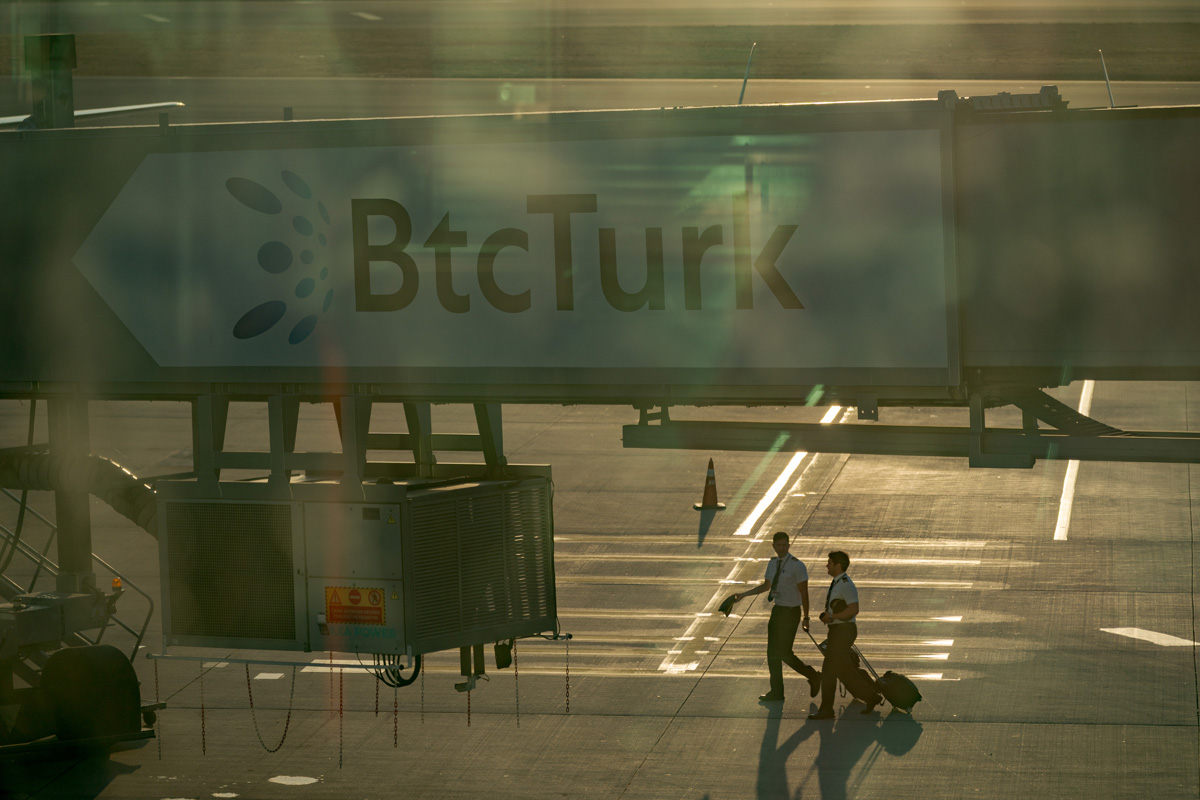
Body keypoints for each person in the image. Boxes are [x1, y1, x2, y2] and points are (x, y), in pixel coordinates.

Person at [729, 531, 821, 702]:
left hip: (791, 612)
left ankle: (813, 675)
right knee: (772, 653)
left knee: (784, 652)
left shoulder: (797, 566)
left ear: (789, 545)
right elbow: (766, 586)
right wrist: (744, 595)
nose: (781, 548)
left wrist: (806, 617)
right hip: (778, 610)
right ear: (773, 546)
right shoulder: (772, 563)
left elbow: (804, 593)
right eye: (778, 545)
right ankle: (777, 692)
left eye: (784, 545)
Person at [809, 550, 880, 719]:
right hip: (837, 631)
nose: (826, 565)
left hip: (844, 631)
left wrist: (833, 616)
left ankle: (827, 709)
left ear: (838, 565)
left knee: (828, 670)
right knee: (844, 669)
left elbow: (854, 609)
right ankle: (871, 696)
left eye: (829, 562)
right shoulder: (837, 582)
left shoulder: (846, 584)